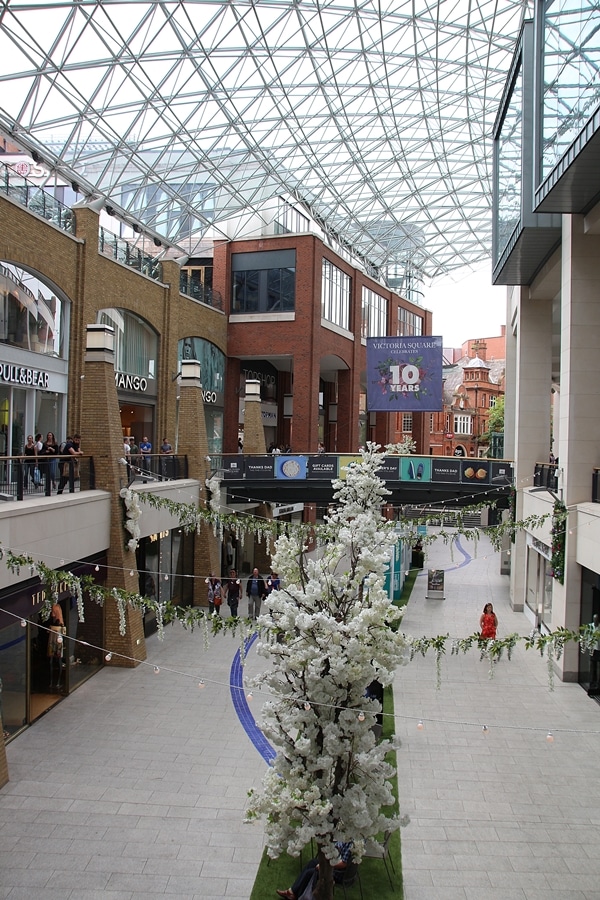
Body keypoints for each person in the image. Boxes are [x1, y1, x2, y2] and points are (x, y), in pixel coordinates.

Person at [276, 841, 353, 900]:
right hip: (334, 861)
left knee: (310, 873)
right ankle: (292, 891)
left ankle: (297, 895)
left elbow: (343, 863)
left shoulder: (353, 843)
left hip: (340, 872)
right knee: (313, 862)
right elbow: (338, 845)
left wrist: (325, 866)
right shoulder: (347, 835)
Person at [47, 601, 65, 689]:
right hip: (58, 632)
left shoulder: (54, 607)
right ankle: (55, 682)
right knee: (58, 659)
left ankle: (52, 682)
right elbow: (58, 620)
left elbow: (55, 619)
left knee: (53, 658)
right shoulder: (56, 607)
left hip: (54, 632)